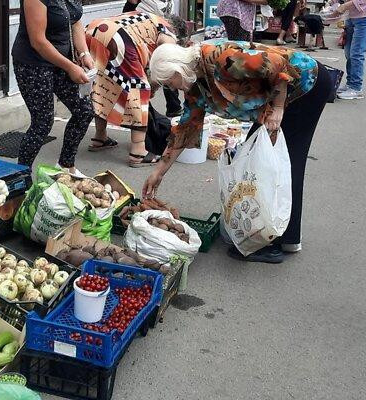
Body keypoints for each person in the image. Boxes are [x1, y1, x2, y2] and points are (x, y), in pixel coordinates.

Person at [142, 40, 331, 263]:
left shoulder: (222, 61)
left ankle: (274, 243)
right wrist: (160, 171)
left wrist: (278, 107)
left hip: (303, 89)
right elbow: (186, 127)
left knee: (284, 163)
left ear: (177, 69)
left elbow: (278, 64)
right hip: (280, 98)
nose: (171, 88)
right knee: (259, 160)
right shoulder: (196, 84)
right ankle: (273, 233)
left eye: (169, 81)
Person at [12, 0, 94, 171]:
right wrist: (70, 67)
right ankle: (21, 176)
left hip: (62, 60)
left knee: (84, 111)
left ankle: (65, 166)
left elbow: (75, 19)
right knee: (42, 122)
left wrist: (84, 53)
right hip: (33, 64)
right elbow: (38, 41)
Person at [85, 12, 180, 167]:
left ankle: (100, 137)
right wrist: (154, 86)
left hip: (91, 30)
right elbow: (165, 54)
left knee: (101, 85)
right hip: (117, 38)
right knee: (139, 89)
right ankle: (138, 151)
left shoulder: (148, 18)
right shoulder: (168, 29)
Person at [105, 0, 183, 114]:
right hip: (140, 22)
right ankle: (142, 109)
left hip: (162, 22)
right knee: (147, 62)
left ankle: (173, 106)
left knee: (168, 58)